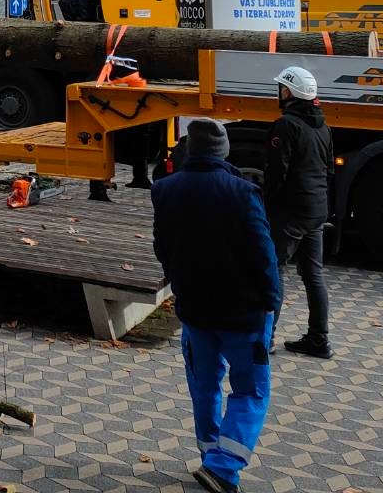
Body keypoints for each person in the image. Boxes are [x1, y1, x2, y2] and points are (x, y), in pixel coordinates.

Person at [152, 118, 281, 493]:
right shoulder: (243, 192)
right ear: (224, 152)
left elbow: (163, 247)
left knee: (204, 385)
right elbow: (263, 254)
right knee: (251, 390)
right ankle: (223, 467)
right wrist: (271, 302)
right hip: (244, 313)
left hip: (194, 310)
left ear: (191, 150)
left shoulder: (164, 189)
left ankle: (210, 455)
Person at [263, 65, 334, 360]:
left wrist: (267, 204)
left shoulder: (286, 125)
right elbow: (328, 170)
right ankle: (319, 339)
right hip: (317, 209)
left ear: (289, 92)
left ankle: (266, 338)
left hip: (291, 211)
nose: (279, 91)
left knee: (274, 271)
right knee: (313, 274)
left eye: (282, 87)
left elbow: (277, 171)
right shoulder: (323, 126)